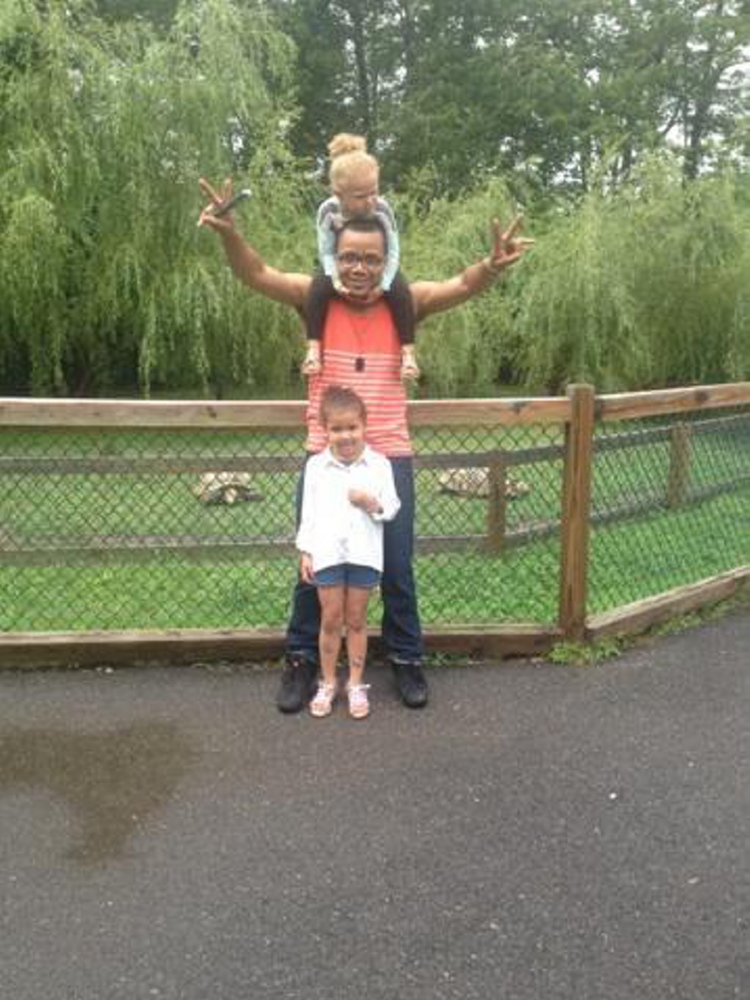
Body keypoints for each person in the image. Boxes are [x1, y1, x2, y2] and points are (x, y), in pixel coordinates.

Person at [198, 176, 532, 713]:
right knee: (315, 568)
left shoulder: (406, 305)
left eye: (371, 259)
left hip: (388, 458)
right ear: (334, 254)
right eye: (350, 256)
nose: (359, 268)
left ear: (386, 259)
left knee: (396, 568)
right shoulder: (315, 301)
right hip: (324, 461)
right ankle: (302, 659)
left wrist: (491, 266)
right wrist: (230, 233)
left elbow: (459, 286)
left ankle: (406, 657)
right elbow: (255, 273)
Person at [297, 384, 401, 720]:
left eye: (352, 427)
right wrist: (306, 551)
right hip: (327, 553)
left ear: (364, 426)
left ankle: (355, 683)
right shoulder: (316, 466)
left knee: (356, 620)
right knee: (330, 620)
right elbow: (308, 513)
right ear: (325, 430)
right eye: (337, 429)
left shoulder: (379, 464)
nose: (345, 436)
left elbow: (393, 507)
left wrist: (371, 503)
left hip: (363, 553)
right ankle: (328, 682)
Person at [302, 133, 419, 382]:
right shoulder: (327, 210)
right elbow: (326, 250)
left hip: (378, 265)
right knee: (316, 289)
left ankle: (408, 353)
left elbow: (394, 249)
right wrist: (335, 281)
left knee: (401, 292)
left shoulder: (382, 208)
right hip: (340, 263)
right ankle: (313, 348)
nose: (370, 201)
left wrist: (384, 283)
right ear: (339, 193)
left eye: (374, 192)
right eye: (360, 196)